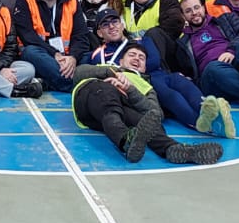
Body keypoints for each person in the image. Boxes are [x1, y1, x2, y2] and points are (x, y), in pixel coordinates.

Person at [70, 45, 223, 165]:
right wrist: (112, 74)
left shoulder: (147, 86)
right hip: (93, 96)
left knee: (147, 122)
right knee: (107, 93)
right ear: (121, 61)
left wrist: (130, 90)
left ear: (144, 67)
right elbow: (78, 73)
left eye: (141, 57)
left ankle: (174, 149)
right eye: (132, 55)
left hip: (120, 112)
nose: (137, 58)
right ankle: (125, 140)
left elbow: (156, 113)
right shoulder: (108, 68)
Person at [87, 7, 218, 135]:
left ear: (121, 25)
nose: (111, 26)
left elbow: (155, 60)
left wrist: (131, 67)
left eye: (114, 22)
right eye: (105, 24)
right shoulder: (99, 55)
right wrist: (136, 70)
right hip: (144, 83)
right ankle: (200, 123)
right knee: (170, 94)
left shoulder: (142, 40)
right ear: (99, 33)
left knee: (183, 83)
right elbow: (107, 73)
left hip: (163, 75)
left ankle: (211, 114)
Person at [13, 0, 91, 92]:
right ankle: (74, 84)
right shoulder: (24, 1)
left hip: (67, 57)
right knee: (30, 51)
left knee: (90, 55)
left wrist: (72, 57)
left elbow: (81, 36)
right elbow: (28, 36)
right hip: (42, 55)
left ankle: (50, 82)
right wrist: (54, 54)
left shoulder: (72, 2)